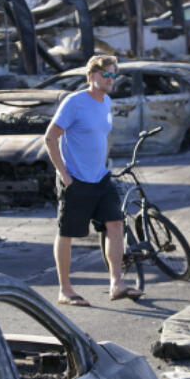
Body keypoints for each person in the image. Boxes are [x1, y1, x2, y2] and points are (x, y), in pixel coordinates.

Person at [45, 54, 143, 306]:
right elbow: (50, 138)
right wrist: (63, 174)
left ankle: (116, 283)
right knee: (67, 233)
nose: (110, 79)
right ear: (91, 76)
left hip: (100, 177)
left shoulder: (106, 102)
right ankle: (65, 290)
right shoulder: (74, 102)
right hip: (75, 179)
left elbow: (100, 137)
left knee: (115, 225)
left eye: (112, 75)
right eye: (104, 74)